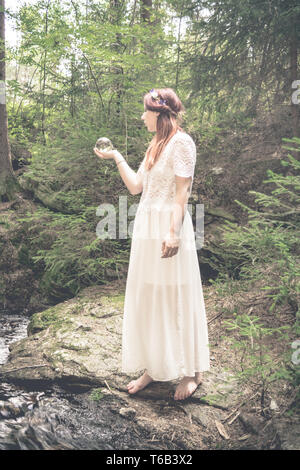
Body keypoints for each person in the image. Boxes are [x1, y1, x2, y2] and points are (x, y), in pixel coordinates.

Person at [93, 88, 210, 401]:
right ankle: (155, 367)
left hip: (168, 226)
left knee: (176, 293)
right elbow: (135, 187)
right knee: (150, 293)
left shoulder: (182, 143)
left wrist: (173, 232)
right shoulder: (155, 146)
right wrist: (116, 156)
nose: (142, 116)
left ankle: (191, 372)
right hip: (146, 227)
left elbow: (182, 193)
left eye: (146, 111)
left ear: (160, 114)